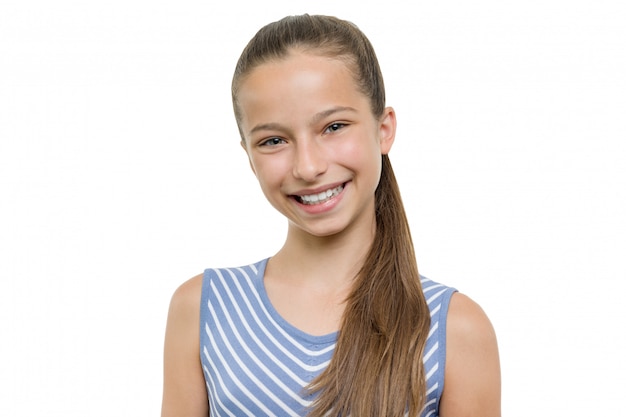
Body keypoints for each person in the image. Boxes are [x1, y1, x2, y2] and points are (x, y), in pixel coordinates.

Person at [161, 14, 501, 417]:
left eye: (334, 126)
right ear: (249, 157)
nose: (307, 166)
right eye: (273, 140)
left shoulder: (453, 329)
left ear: (383, 129)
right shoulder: (203, 308)